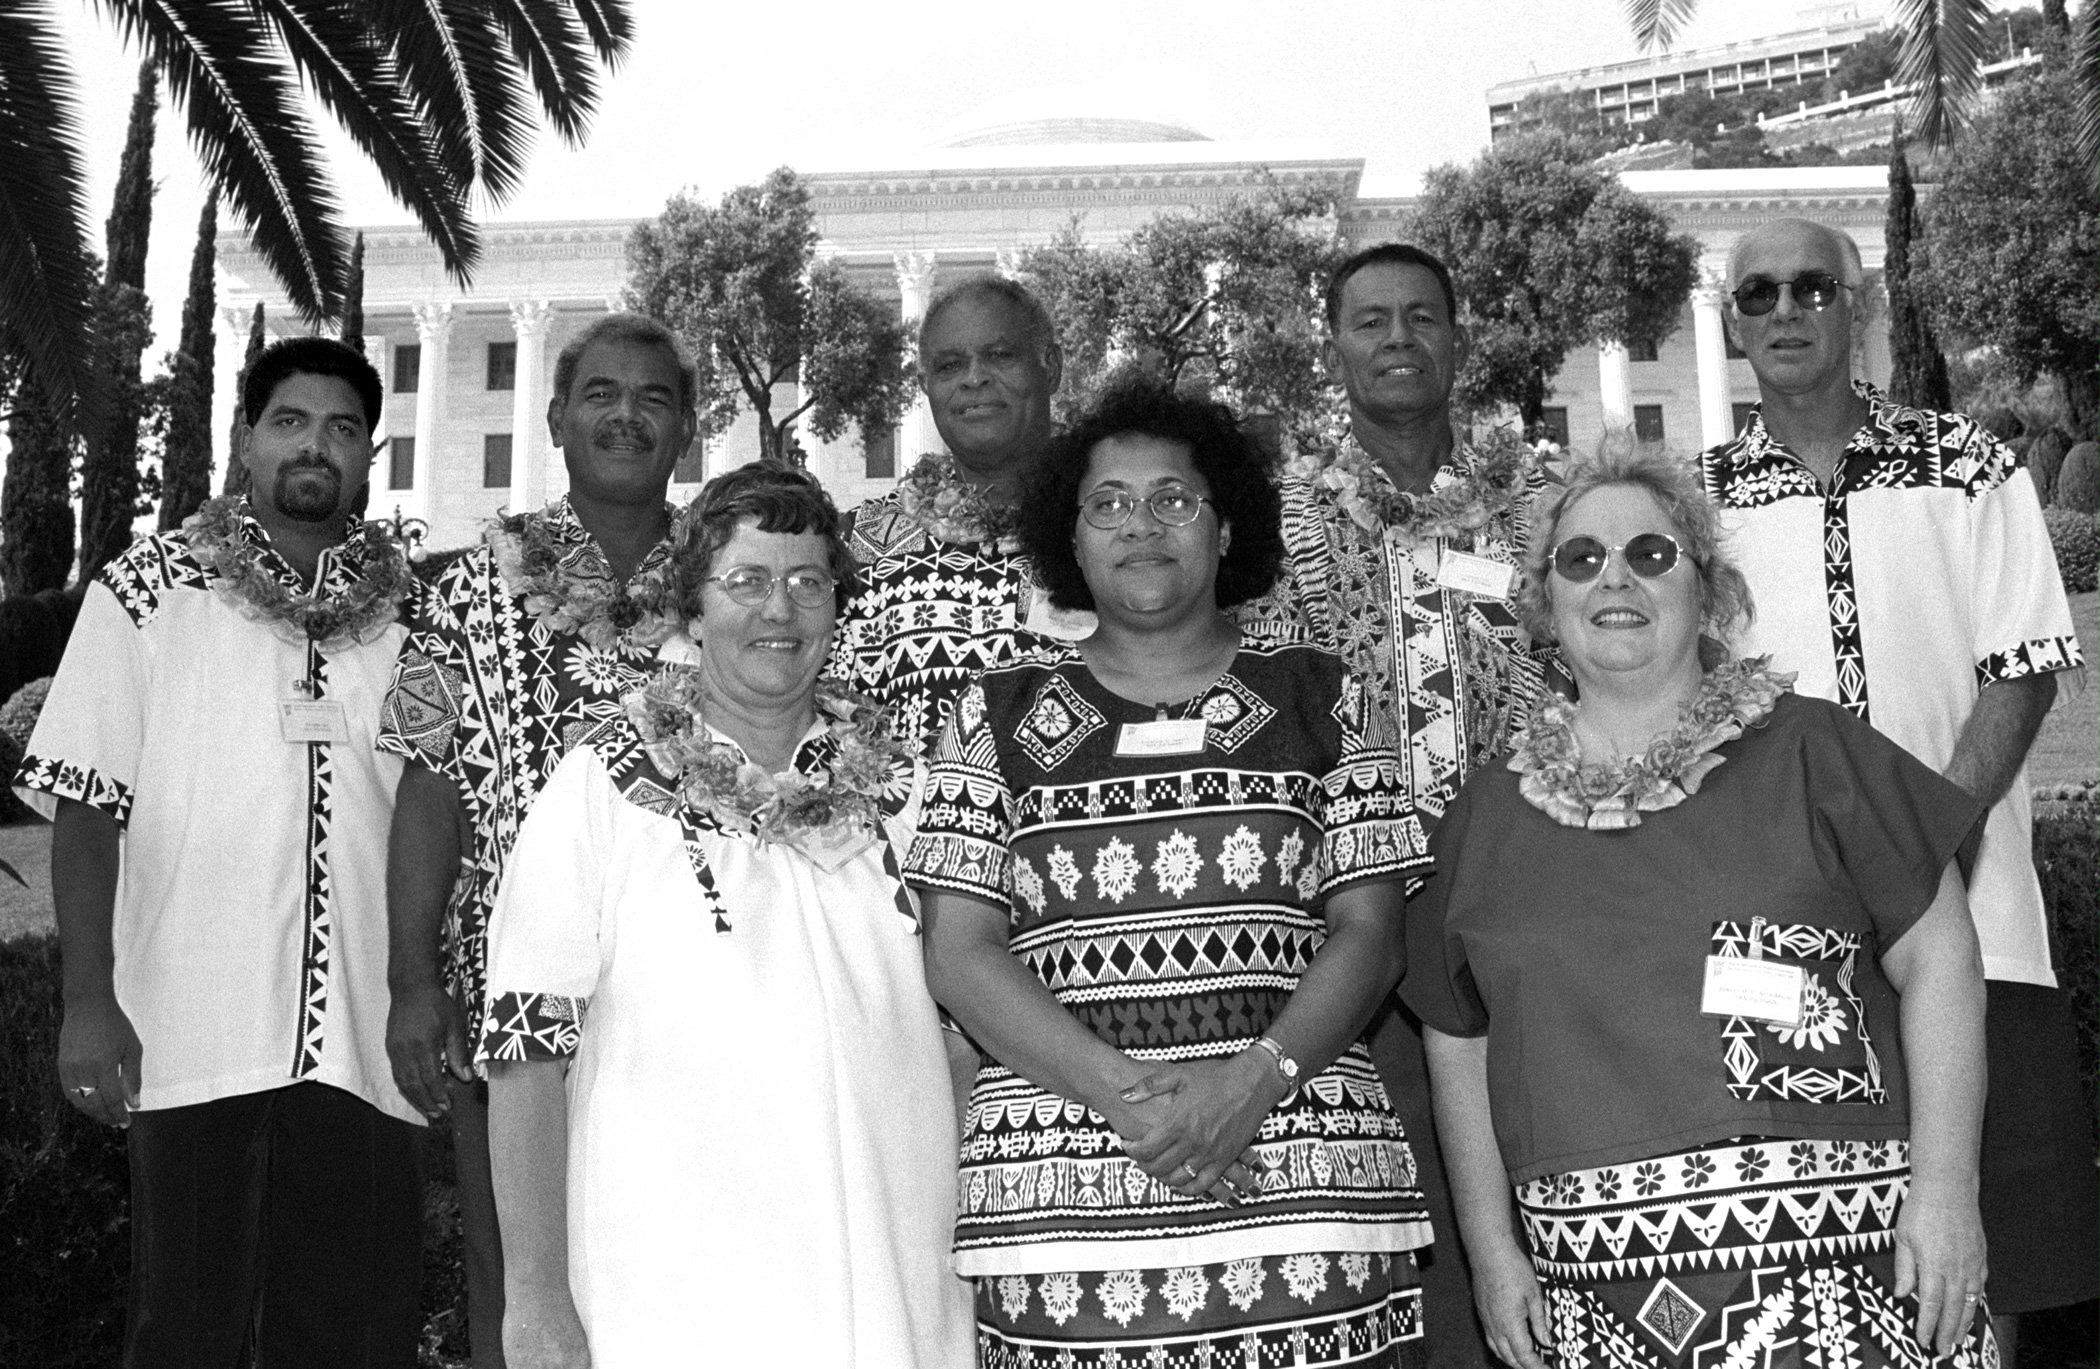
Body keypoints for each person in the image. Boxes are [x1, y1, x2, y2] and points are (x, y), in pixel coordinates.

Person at [1406, 442, 1995, 1369]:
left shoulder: (1816, 753)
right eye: (1580, 557)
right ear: (1542, 603)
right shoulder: (1483, 818)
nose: (1616, 578)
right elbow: (1456, 1038)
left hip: (1850, 1281)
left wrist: (1948, 1190)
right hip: (1595, 1304)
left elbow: (1943, 961)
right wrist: (1490, 1250)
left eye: (1651, 553)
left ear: (1707, 588)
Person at [906, 382, 1430, 1366]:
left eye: (1173, 499)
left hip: (1304, 1195)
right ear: (1071, 536)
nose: (1139, 526)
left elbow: (1373, 933)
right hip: (1066, 1223)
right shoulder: (994, 715)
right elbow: (960, 953)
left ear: (1226, 527)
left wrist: (1250, 1084)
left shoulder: (1325, 697)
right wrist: (1128, 1094)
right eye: (1106, 503)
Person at [1698, 215, 2099, 1352]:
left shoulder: (1967, 465)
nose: (1786, 311)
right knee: (1795, 1253)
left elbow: (2019, 671)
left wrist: (1920, 846)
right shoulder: (1694, 504)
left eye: (1812, 288)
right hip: (1777, 940)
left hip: (1980, 917)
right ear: (1732, 323)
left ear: (1861, 306)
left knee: (1988, 1237)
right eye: (1760, 294)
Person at [480, 462, 974, 1369]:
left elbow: (965, 1034)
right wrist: (537, 1300)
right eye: (746, 581)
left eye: (807, 582)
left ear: (838, 607)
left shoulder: (908, 793)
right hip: (674, 1294)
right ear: (693, 609)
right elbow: (525, 1058)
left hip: (893, 1281)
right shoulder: (602, 786)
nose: (778, 611)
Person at [15, 336, 424, 1365]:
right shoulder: (150, 587)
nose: (315, 446)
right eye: (290, 421)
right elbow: (86, 800)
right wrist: (86, 1001)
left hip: (365, 1044)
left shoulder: (412, 613)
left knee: (349, 1334)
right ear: (245, 440)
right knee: (185, 1328)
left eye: (342, 428)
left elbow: (439, 800)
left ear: (371, 455)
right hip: (189, 1031)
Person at [1251, 241, 1563, 1367]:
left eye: (1420, 317)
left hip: (1531, 903)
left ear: (1457, 335)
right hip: (1358, 918)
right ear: (1333, 345)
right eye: (1369, 320)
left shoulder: (1539, 506)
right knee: (1408, 1218)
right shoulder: (1277, 519)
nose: (1396, 340)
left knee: (1544, 1191)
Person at [375, 312, 699, 1369]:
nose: (625, 414)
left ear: (687, 430)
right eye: (601, 393)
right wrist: (412, 979)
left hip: (703, 995)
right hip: (511, 1012)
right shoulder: (477, 581)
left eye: (653, 397)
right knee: (518, 1276)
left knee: (695, 1259)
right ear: (556, 418)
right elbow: (432, 782)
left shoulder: (734, 580)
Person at [832, 272, 1081, 756]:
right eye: (949, 366)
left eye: (1000, 355)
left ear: (1050, 367)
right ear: (926, 386)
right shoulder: (856, 546)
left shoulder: (1122, 524)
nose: (974, 378)